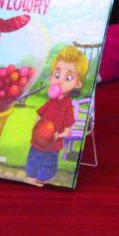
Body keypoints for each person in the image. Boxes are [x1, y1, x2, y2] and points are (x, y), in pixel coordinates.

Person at [25, 44, 87, 184]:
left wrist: (59, 135)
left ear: (77, 84)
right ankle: (31, 176)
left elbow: (68, 131)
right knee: (33, 159)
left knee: (47, 164)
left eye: (68, 78)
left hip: (52, 144)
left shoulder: (67, 106)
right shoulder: (51, 101)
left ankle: (42, 180)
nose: (59, 80)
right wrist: (37, 122)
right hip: (37, 141)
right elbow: (40, 114)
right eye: (57, 74)